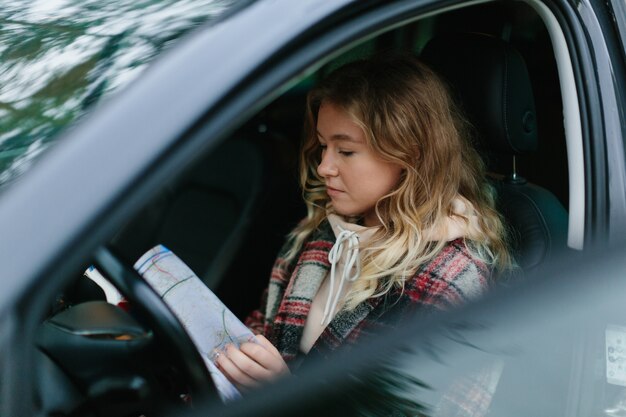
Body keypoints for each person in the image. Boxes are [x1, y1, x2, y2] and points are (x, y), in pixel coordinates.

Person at [214, 54, 512, 390]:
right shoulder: (323, 232)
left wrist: (283, 395)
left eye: (346, 151)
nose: (324, 166)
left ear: (408, 154)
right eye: (324, 147)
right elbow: (264, 328)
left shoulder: (453, 277)